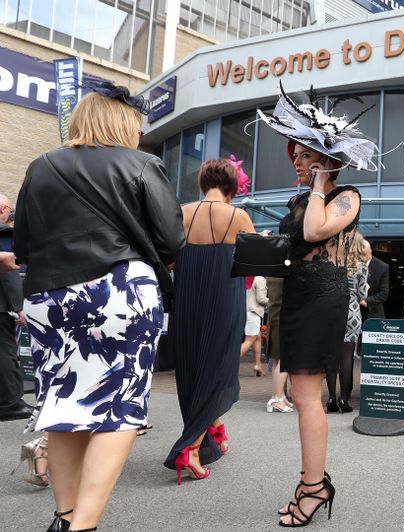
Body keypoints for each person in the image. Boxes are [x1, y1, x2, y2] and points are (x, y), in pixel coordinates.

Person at [14, 81, 184, 532]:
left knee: (63, 407)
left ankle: (65, 517)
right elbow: (171, 240)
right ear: (124, 123)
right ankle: (82, 525)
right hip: (120, 291)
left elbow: (25, 243)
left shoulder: (42, 165)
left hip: (49, 295)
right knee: (121, 407)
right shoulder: (143, 163)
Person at [256, 83, 380, 528]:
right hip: (296, 295)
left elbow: (313, 232)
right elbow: (294, 243)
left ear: (327, 160)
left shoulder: (346, 196)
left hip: (324, 295)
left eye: (306, 154)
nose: (296, 159)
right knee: (300, 393)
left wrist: (320, 185)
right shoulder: (299, 199)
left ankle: (314, 488)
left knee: (308, 396)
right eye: (295, 152)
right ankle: (312, 482)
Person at [164, 158, 254, 484]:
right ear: (232, 185)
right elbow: (251, 266)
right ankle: (190, 447)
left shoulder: (181, 213)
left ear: (203, 182)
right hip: (224, 301)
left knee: (195, 366)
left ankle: (212, 431)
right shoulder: (239, 216)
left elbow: (167, 261)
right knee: (219, 367)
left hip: (187, 301)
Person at [326, 232, 369, 414]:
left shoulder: (331, 264)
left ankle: (330, 398)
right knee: (346, 356)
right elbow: (362, 295)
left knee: (330, 356)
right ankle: (344, 398)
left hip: (330, 311)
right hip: (351, 312)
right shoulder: (361, 267)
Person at [0, 197, 30, 423]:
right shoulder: (4, 234)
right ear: (2, 209)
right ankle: (12, 403)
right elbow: (9, 274)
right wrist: (18, 307)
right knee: (6, 352)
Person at [265, 275, 294, 414]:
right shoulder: (281, 277)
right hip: (282, 320)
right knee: (282, 360)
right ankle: (276, 398)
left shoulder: (273, 275)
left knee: (278, 360)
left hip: (277, 319)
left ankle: (279, 396)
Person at [240, 275, 269, 377]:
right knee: (249, 340)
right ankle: (229, 364)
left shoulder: (243, 276)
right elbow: (261, 299)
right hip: (253, 312)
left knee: (257, 337)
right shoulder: (260, 278)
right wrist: (273, 302)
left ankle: (258, 366)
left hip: (242, 311)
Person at [362, 243, 389, 320]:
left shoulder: (382, 267)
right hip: (353, 314)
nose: (361, 257)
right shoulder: (350, 264)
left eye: (364, 254)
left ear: (370, 252)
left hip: (374, 314)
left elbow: (383, 294)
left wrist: (365, 301)